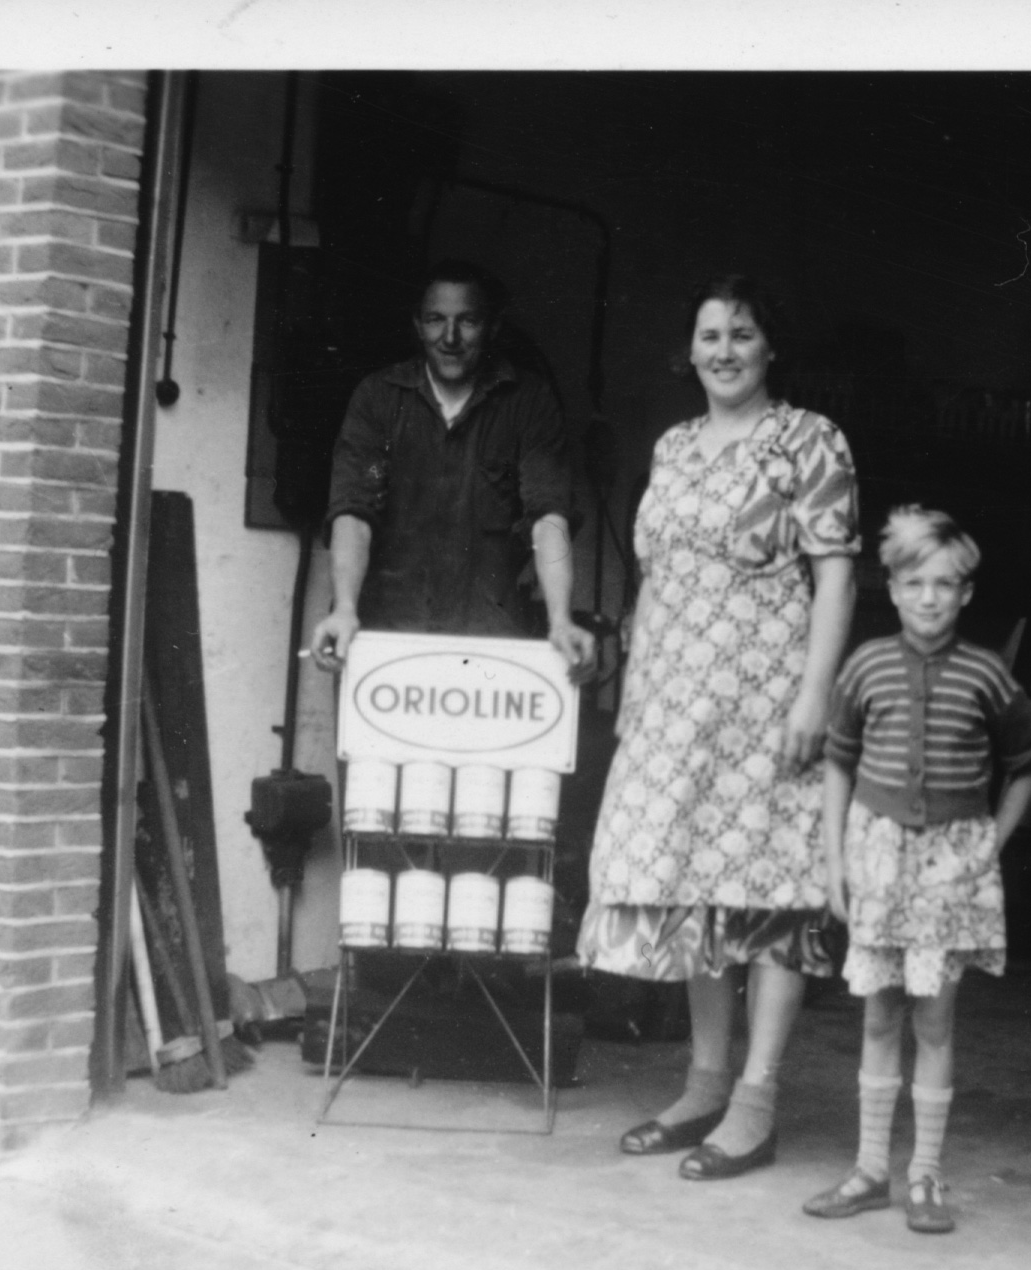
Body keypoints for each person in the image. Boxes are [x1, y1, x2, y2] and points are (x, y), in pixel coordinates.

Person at [579, 274, 859, 1180]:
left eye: (743, 333)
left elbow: (837, 576)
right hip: (675, 704)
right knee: (701, 890)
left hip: (767, 703)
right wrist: (637, 700)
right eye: (709, 335)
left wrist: (815, 697)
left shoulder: (810, 440)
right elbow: (657, 579)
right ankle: (705, 1085)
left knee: (772, 897)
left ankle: (757, 1102)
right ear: (689, 351)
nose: (725, 350)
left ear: (769, 348)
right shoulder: (674, 446)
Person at [802, 506, 1031, 1234]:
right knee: (879, 1014)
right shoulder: (866, 665)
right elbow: (838, 762)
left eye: (945, 584)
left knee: (935, 1021)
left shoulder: (987, 675)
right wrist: (837, 857)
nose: (929, 597)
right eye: (915, 582)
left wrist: (986, 845)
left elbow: (1028, 767)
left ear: (966, 593)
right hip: (877, 857)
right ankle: (871, 1167)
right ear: (894, 587)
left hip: (950, 868)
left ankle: (925, 1175)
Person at [309, 259, 596, 675]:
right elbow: (354, 510)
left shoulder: (529, 402)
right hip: (383, 636)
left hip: (489, 641)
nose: (450, 338)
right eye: (435, 320)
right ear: (417, 325)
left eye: (468, 321)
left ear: (493, 327)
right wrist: (345, 609)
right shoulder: (377, 399)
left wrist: (560, 619)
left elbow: (548, 516)